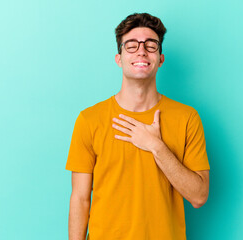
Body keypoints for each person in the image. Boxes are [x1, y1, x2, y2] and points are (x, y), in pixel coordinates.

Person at [66, 12, 210, 240]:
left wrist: (156, 146)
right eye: (131, 46)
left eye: (151, 45)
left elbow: (199, 196)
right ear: (119, 58)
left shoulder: (187, 118)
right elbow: (80, 198)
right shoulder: (89, 119)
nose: (141, 50)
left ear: (160, 59)